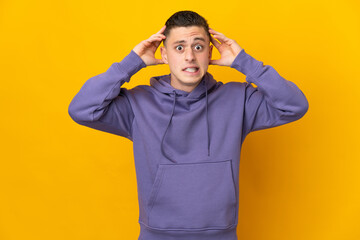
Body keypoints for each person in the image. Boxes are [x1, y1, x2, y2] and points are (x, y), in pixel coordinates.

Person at [68, 10, 308, 240]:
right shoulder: (137, 104)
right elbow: (82, 110)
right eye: (179, 47)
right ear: (164, 55)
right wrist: (131, 63)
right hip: (157, 235)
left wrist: (245, 63)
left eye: (198, 46)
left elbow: (295, 105)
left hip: (220, 235)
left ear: (210, 52)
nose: (190, 56)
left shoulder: (239, 100)